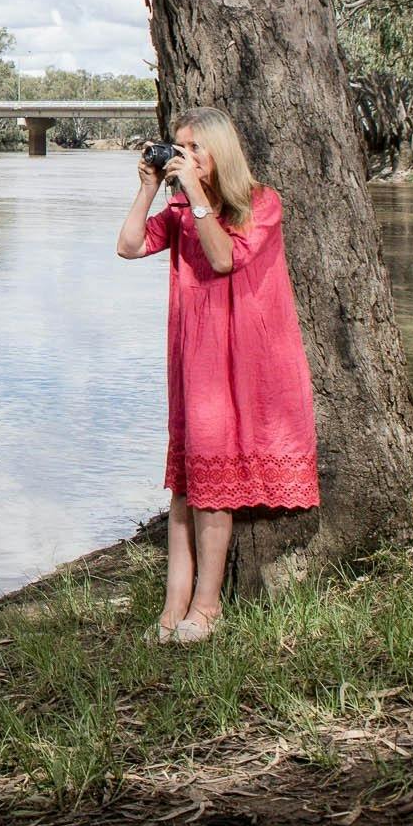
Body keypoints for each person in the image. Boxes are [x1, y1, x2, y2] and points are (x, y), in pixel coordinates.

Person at [115, 107, 318, 646]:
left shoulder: (261, 203)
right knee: (186, 486)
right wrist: (148, 188)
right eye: (177, 147)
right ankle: (172, 607)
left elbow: (224, 259)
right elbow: (128, 246)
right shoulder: (181, 210)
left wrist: (194, 195)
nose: (183, 156)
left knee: (212, 487)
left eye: (193, 148)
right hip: (195, 358)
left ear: (219, 151)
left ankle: (207, 608)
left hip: (242, 360)